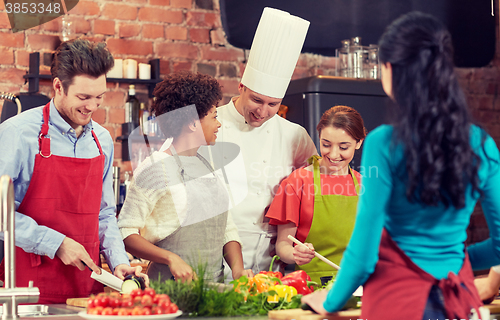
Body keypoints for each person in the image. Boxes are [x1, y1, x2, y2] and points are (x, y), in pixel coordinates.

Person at [302, 11, 500, 320]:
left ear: (391, 68)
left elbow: (364, 253)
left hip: (400, 310)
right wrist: (456, 260)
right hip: (461, 309)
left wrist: (328, 301)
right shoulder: (481, 144)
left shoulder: (385, 142)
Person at [0, 39, 145, 304]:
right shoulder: (18, 133)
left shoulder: (101, 140)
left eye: (99, 97)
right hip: (29, 291)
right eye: (83, 97)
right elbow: (1, 214)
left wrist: (119, 261)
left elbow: (103, 214)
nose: (92, 106)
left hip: (87, 291)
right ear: (58, 86)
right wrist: (56, 243)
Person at [207, 7, 318, 278]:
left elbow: (317, 186)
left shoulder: (294, 135)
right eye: (256, 100)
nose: (263, 111)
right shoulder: (209, 125)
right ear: (241, 85)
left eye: (273, 104)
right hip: (214, 258)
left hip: (271, 261)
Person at [117, 72, 253, 283]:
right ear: (192, 123)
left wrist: (237, 270)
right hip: (168, 289)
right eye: (213, 116)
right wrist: (171, 258)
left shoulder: (209, 166)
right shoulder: (156, 167)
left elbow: (227, 228)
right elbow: (126, 233)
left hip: (211, 289)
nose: (219, 124)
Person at [266, 106, 366, 284]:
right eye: (326, 144)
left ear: (359, 143)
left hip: (357, 284)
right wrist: (295, 254)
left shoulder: (365, 186)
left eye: (343, 147)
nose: (333, 154)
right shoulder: (297, 183)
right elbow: (283, 245)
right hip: (309, 285)